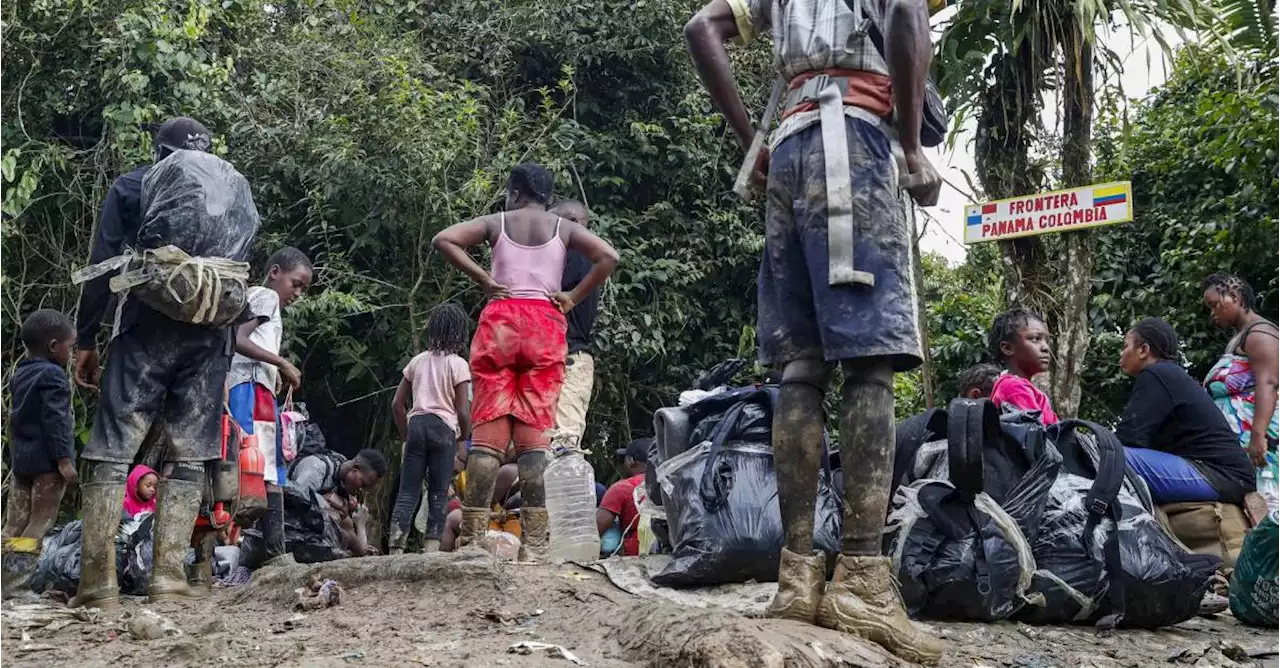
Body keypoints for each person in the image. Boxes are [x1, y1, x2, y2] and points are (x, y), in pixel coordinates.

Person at [684, 0, 943, 661]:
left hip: (792, 148)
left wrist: (751, 140)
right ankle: (861, 577)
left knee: (799, 372)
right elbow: (907, 13)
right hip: (853, 145)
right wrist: (911, 146)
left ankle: (797, 577)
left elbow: (702, 28)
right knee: (870, 367)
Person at [70, 117, 259, 608]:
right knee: (191, 455)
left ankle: (97, 583)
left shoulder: (134, 184)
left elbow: (103, 258)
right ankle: (170, 578)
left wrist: (85, 337)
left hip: (147, 326)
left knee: (113, 449)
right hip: (212, 334)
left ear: (158, 150)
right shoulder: (231, 190)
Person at [432, 163, 619, 561]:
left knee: (487, 440)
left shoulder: (497, 221)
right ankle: (535, 545)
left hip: (501, 320)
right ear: (546, 196)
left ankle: (471, 540)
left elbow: (445, 239)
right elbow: (608, 256)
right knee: (535, 440)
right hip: (545, 326)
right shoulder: (562, 227)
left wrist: (483, 278)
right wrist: (571, 297)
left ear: (515, 192)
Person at [228, 246, 313, 566]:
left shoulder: (260, 299)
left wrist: (272, 371)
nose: (298, 293)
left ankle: (272, 552)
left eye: (303, 288)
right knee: (257, 464)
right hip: (249, 389)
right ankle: (276, 555)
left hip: (256, 386)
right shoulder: (265, 296)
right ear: (275, 272)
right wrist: (282, 364)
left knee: (266, 466)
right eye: (296, 283)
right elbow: (239, 339)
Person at [1115, 318, 1255, 505]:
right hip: (1223, 474)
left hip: (1220, 475)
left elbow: (1128, 438)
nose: (1121, 354)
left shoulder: (1156, 375)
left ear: (1143, 350)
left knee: (1105, 454)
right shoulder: (1171, 376)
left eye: (1125, 347)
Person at [389, 303, 473, 554]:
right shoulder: (458, 365)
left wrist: (407, 437)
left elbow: (397, 405)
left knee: (408, 491)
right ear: (459, 336)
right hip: (444, 430)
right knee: (438, 493)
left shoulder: (417, 361)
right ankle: (432, 550)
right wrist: (463, 438)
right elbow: (462, 411)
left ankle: (395, 548)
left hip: (417, 425)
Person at [2, 310, 77, 543]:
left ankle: (4, 573)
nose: (72, 354)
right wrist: (64, 460)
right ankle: (21, 575)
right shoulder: (53, 375)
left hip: (22, 460)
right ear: (54, 346)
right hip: (47, 463)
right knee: (39, 521)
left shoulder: (20, 373)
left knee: (12, 524)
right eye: (71, 347)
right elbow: (56, 420)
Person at [1202, 274, 1280, 497]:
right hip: (1239, 446)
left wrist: (1258, 435)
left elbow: (1269, 382)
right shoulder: (1242, 337)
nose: (1212, 313)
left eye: (1214, 305)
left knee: (1268, 507)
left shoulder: (1261, 333)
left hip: (1262, 445)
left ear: (1234, 296)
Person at [547, 199, 602, 450]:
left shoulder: (576, 256)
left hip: (570, 359)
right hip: (561, 358)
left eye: (551, 221)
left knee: (564, 445)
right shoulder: (585, 260)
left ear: (571, 223)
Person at [290, 448, 388, 556]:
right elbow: (296, 499)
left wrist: (360, 524)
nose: (361, 490)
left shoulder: (343, 483)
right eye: (363, 484)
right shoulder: (318, 467)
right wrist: (325, 507)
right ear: (355, 468)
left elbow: (348, 527)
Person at [988, 308, 1058, 424]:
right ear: (1007, 348)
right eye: (1035, 339)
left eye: (1046, 341)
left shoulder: (1027, 388)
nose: (1046, 348)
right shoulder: (1011, 387)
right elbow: (1038, 434)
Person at [597, 438, 650, 557]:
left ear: (632, 461)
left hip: (635, 553)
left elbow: (596, 529)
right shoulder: (670, 483)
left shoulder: (622, 488)